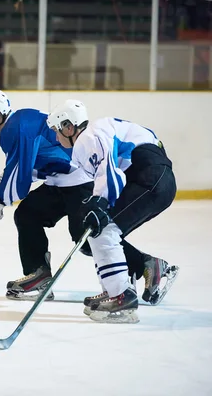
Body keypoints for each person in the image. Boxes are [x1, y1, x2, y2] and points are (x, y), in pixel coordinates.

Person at [46, 99, 179, 323]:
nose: (56, 137)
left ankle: (121, 297)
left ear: (69, 127)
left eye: (57, 131)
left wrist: (99, 202)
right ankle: (115, 289)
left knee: (103, 230)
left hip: (151, 178)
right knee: (103, 230)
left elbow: (110, 173)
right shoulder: (99, 132)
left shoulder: (88, 137)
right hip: (156, 179)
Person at [0, 89, 94, 301]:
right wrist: (1, 190)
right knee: (28, 214)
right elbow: (34, 165)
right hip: (62, 181)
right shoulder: (20, 122)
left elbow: (18, 182)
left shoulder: (15, 127)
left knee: (87, 239)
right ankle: (39, 276)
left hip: (80, 181)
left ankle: (145, 265)